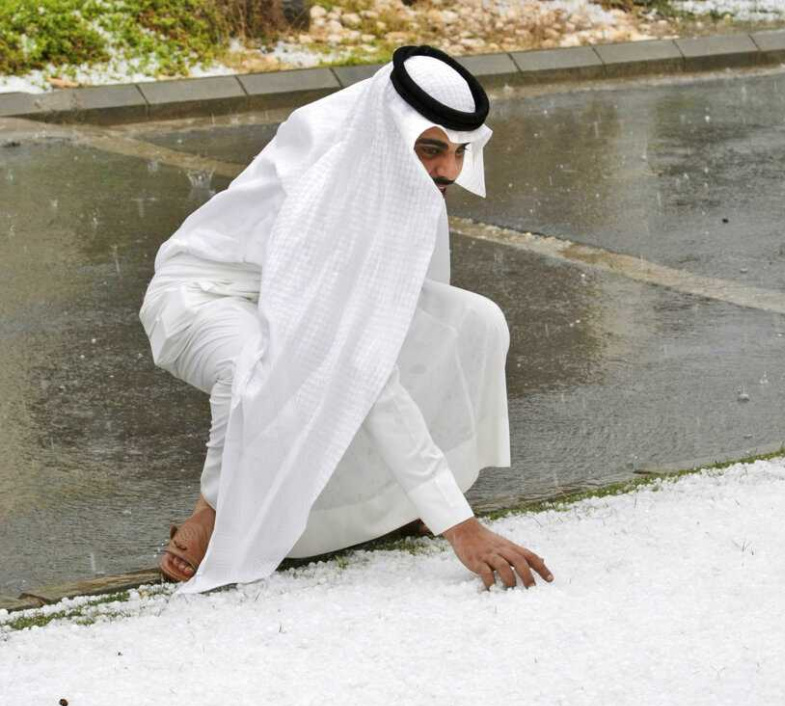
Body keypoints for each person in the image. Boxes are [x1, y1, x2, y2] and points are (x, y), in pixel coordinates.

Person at [140, 45, 554, 594]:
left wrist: (430, 491)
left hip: (301, 296)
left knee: (475, 322)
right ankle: (216, 512)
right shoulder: (331, 188)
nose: (448, 170)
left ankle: (395, 504)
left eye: (458, 151)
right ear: (396, 129)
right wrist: (462, 526)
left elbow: (400, 311)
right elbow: (364, 364)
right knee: (254, 367)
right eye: (432, 149)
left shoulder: (399, 163)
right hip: (206, 296)